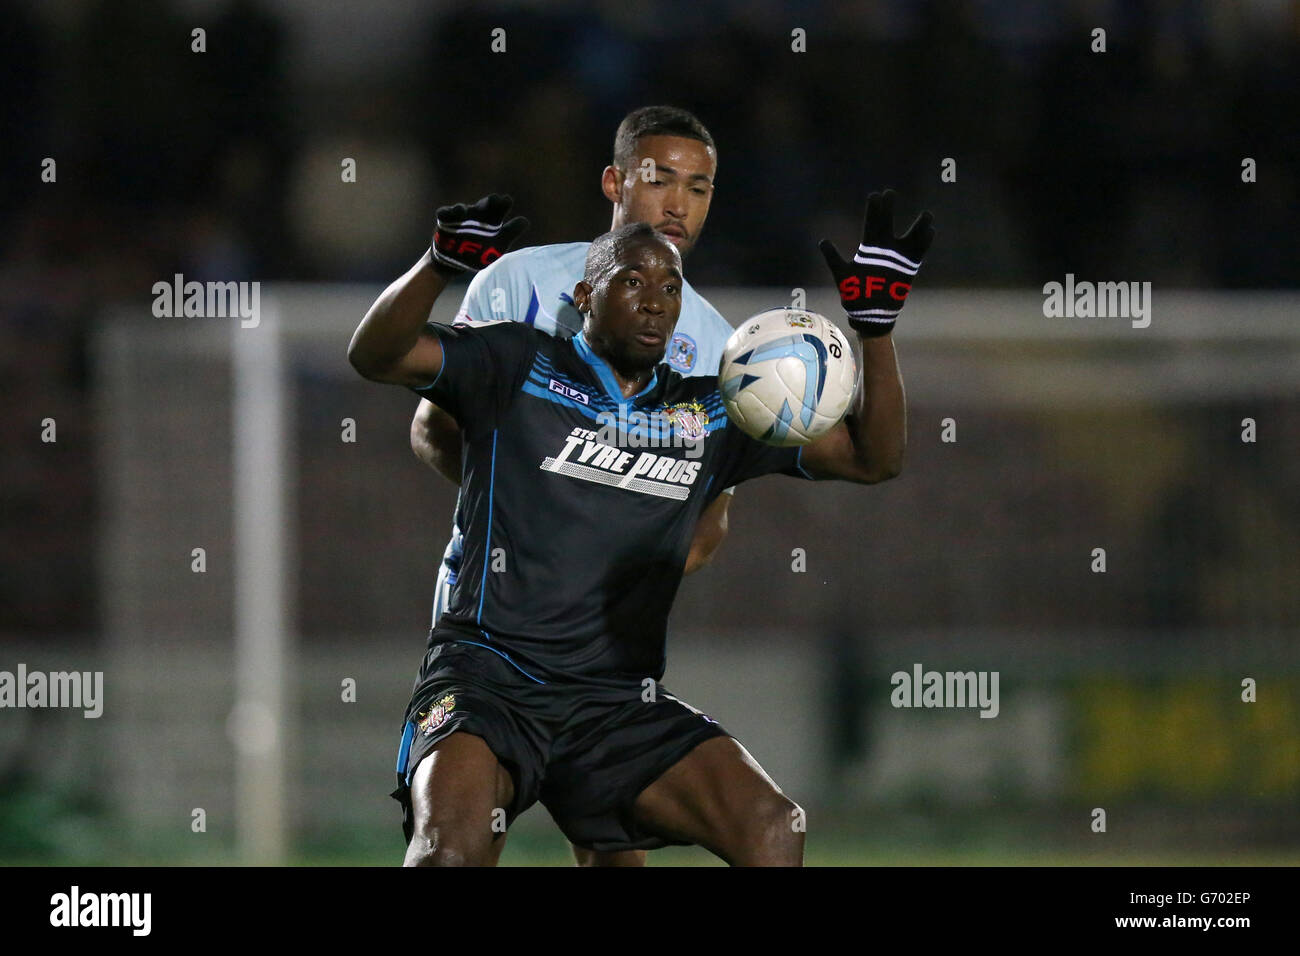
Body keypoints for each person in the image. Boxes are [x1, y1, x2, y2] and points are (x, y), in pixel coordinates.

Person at [349, 186, 933, 866]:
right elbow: (377, 356)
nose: (655, 298)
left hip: (615, 702)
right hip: (487, 680)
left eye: (670, 286)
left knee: (773, 825)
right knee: (449, 854)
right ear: (587, 298)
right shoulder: (516, 364)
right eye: (632, 280)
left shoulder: (713, 413)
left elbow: (874, 458)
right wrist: (437, 266)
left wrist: (876, 330)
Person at [410, 106, 733, 866]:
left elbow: (711, 519)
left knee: (616, 853)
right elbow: (431, 430)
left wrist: (614, 554)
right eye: (660, 180)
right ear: (615, 182)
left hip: (608, 649)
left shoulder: (718, 339)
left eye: (700, 187)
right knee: (457, 837)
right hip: (494, 630)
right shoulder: (515, 281)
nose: (679, 203)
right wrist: (535, 519)